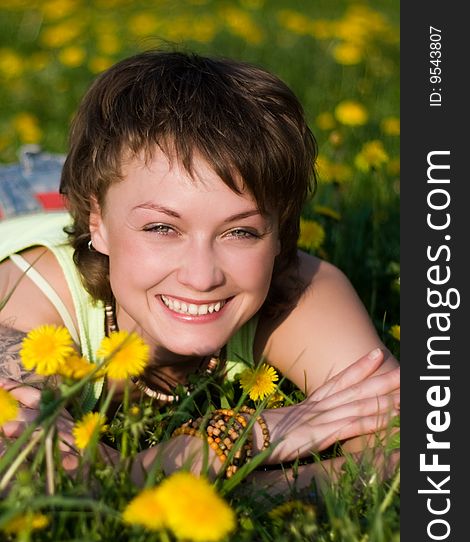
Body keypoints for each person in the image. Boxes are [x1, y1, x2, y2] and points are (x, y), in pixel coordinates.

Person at [0, 50, 399, 496]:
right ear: (98, 224)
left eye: (241, 232)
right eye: (162, 228)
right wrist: (240, 438)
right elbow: (35, 483)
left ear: (281, 233)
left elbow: (411, 448)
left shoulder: (298, 289)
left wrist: (218, 477)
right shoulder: (26, 301)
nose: (201, 276)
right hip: (21, 203)